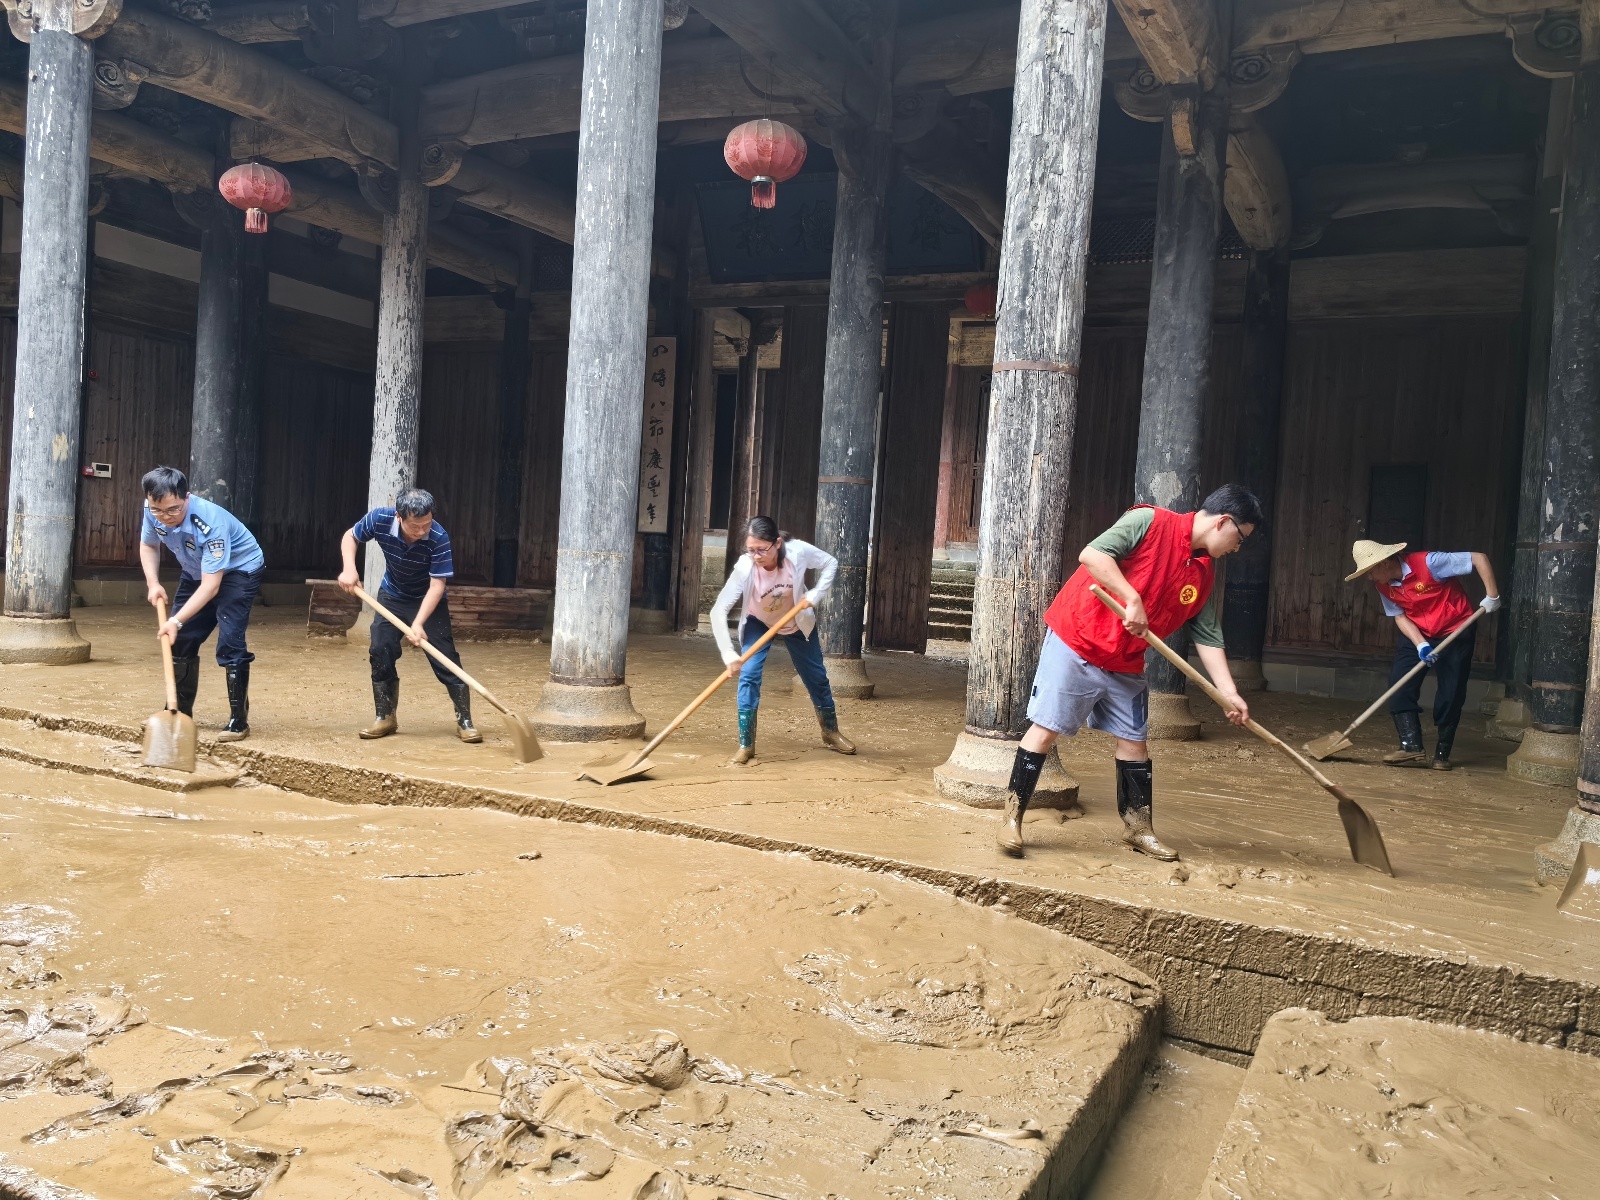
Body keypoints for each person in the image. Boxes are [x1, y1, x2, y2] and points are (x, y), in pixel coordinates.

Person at [997, 484, 1265, 862]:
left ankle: (1138, 830)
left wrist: (1228, 692)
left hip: (1125, 661)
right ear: (1223, 522)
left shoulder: (1202, 573)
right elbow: (1092, 554)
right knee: (1045, 729)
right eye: (1240, 539)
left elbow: (1207, 634)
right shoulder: (1150, 521)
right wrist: (1132, 597)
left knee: (1135, 742)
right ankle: (1012, 820)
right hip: (1078, 640)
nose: (1237, 548)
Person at [710, 515, 856, 764]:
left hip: (795, 620)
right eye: (751, 550)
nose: (756, 556)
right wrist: (728, 653)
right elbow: (718, 610)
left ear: (777, 543)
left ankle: (830, 732)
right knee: (749, 675)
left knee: (817, 677)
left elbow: (830, 562)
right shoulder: (745, 567)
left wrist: (816, 595)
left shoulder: (797, 553)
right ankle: (746, 745)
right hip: (759, 622)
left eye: (761, 550)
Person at [338, 489, 479, 744]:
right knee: (380, 649)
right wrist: (349, 568)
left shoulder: (438, 536)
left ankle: (465, 720)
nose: (422, 531)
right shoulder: (379, 519)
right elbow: (351, 536)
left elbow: (437, 586)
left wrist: (418, 623)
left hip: (427, 600)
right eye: (416, 526)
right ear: (399, 517)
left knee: (446, 657)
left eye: (427, 524)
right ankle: (385, 717)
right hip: (392, 596)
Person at [1345, 540, 1500, 770]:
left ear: (1385, 563)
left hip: (1455, 629)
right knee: (1398, 685)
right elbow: (1399, 617)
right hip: (1419, 632)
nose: (1369, 578)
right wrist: (1420, 646)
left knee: (1451, 692)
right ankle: (1411, 748)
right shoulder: (1383, 585)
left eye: (1370, 571)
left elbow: (1479, 558)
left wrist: (1492, 596)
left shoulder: (1430, 563)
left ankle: (1442, 752)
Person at [138, 466, 266, 742]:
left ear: (187, 497)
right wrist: (153, 583)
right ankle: (179, 712)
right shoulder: (153, 510)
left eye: (173, 510)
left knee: (229, 640)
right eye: (158, 510)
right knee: (181, 639)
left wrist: (175, 620)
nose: (165, 517)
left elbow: (212, 587)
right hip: (197, 570)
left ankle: (238, 720)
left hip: (239, 570)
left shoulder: (209, 522)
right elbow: (148, 545)